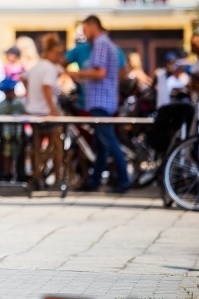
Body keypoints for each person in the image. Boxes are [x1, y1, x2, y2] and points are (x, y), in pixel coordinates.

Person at [67, 15, 131, 193]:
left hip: (101, 100)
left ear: (91, 25)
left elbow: (99, 72)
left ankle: (124, 179)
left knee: (108, 141)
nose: (84, 34)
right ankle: (94, 181)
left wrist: (76, 75)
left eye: (84, 29)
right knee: (102, 144)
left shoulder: (100, 44)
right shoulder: (108, 44)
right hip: (105, 99)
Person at [23, 34, 64, 185]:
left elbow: (24, 78)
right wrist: (53, 109)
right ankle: (58, 178)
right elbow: (46, 87)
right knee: (57, 147)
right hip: (46, 113)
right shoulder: (49, 68)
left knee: (36, 146)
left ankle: (37, 174)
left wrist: (29, 97)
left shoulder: (36, 67)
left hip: (33, 111)